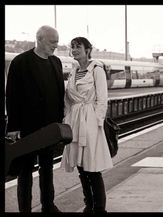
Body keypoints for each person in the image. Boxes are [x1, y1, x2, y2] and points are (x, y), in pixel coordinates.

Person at [5, 25, 64, 212]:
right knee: (25, 171)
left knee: (47, 169)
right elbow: (11, 95)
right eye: (52, 41)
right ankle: (25, 208)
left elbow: (58, 93)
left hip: (49, 128)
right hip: (27, 128)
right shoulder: (21, 62)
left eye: (57, 41)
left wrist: (60, 122)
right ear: (39, 39)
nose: (56, 45)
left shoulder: (56, 62)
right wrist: (13, 127)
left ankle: (48, 205)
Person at [60, 37, 113, 213]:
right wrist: (67, 116)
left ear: (88, 49)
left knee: (92, 167)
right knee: (81, 167)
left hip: (90, 121)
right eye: (72, 47)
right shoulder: (73, 71)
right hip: (75, 120)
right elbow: (68, 98)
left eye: (78, 47)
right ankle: (88, 204)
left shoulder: (96, 69)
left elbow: (102, 99)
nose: (74, 50)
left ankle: (99, 207)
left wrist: (96, 123)